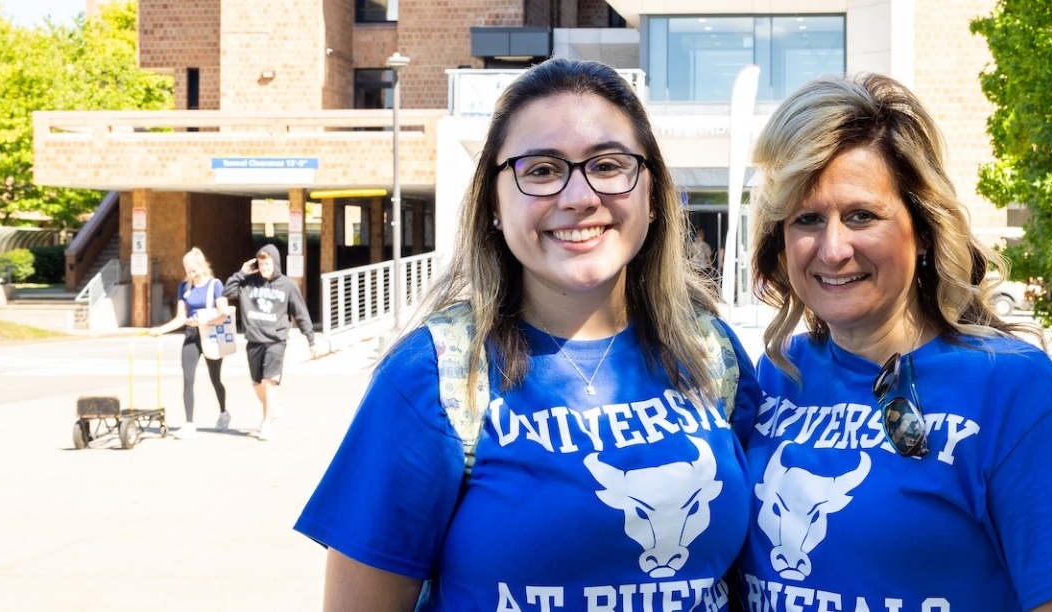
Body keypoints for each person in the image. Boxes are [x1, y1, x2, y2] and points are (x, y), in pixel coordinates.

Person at [295, 58, 762, 610]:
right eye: (540, 170)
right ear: (494, 203)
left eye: (609, 165)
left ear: (652, 193)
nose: (578, 196)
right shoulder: (437, 376)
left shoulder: (709, 352)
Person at [742, 73, 1052, 611]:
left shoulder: (1017, 391)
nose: (832, 249)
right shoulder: (778, 376)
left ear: (922, 230)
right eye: (807, 219)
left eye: (861, 215)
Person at [224, 243, 314, 441]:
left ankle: (266, 423)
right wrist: (242, 272)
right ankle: (272, 408)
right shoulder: (248, 283)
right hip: (254, 340)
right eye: (261, 264)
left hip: (276, 340)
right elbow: (227, 291)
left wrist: (311, 338)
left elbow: (300, 313)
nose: (264, 268)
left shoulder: (287, 285)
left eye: (268, 264)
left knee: (269, 382)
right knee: (257, 384)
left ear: (275, 263)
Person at [144, 248, 233, 438]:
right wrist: (160, 330)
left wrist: (206, 321)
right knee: (187, 378)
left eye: (194, 270)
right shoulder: (184, 288)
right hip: (192, 335)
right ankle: (189, 423)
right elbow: (180, 318)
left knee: (215, 378)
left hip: (210, 334)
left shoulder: (215, 285)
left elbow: (223, 313)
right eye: (188, 270)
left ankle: (224, 412)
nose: (191, 274)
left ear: (202, 267)